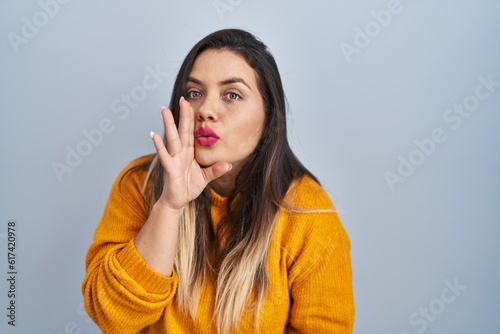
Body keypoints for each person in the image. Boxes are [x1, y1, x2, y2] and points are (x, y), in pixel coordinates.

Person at [82, 28, 355, 334]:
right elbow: (112, 318)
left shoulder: (308, 212)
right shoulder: (139, 185)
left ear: (269, 116)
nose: (205, 111)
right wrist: (169, 207)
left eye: (232, 95)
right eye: (194, 93)